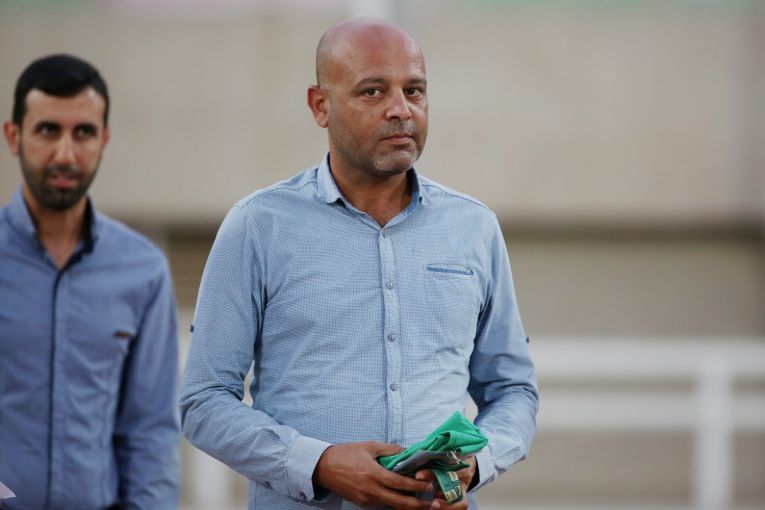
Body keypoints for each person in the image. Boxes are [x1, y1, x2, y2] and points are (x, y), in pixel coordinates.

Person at [180, 18, 538, 510]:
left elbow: (513, 390)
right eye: (373, 91)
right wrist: (319, 464)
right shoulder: (259, 227)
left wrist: (474, 464)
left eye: (414, 91)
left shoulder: (473, 228)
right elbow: (203, 402)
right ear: (320, 105)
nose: (401, 109)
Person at [0, 54, 180, 509]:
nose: (65, 153)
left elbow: (150, 433)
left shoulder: (143, 270)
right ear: (14, 136)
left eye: (83, 132)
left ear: (104, 139)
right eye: (48, 130)